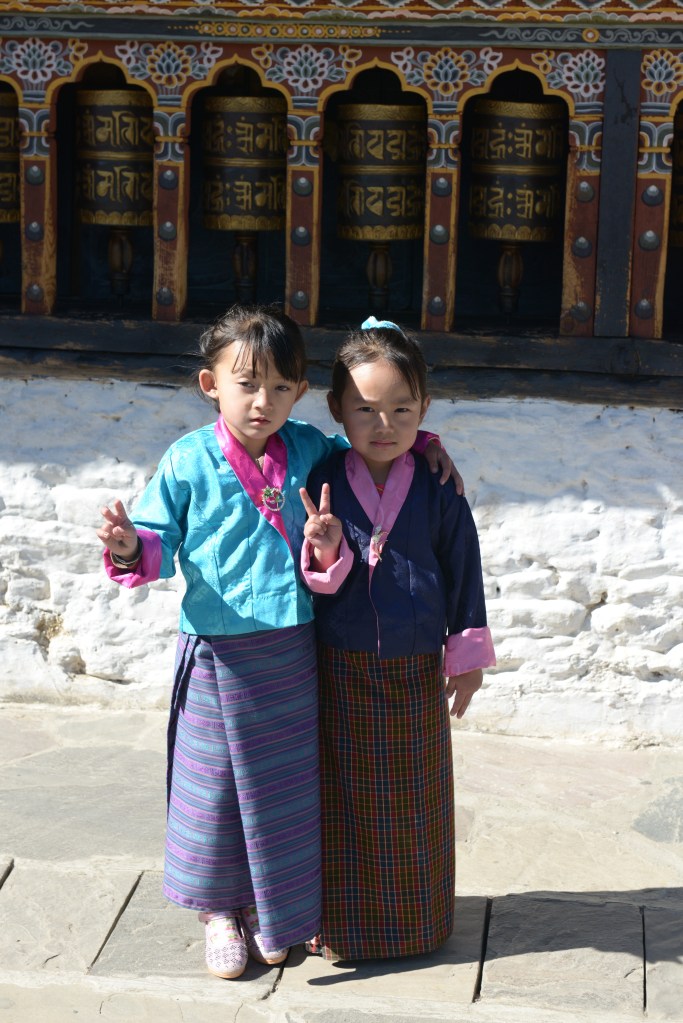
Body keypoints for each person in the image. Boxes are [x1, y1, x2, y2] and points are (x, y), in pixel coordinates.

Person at [95, 305, 459, 980]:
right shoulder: (186, 460)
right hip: (217, 651)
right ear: (211, 385)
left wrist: (427, 442)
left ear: (299, 392)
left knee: (284, 790)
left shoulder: (311, 450)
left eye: (281, 386)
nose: (263, 402)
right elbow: (155, 539)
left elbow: (368, 441)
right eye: (246, 384)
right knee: (215, 788)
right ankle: (219, 912)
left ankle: (275, 909)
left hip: (293, 650)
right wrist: (128, 546)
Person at [300, 316, 496, 961]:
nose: (384, 425)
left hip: (413, 669)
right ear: (336, 410)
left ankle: (418, 926)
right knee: (344, 802)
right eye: (366, 410)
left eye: (402, 409)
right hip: (340, 663)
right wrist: (327, 553)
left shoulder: (438, 486)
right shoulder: (322, 478)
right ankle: (343, 929)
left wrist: (465, 660)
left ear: (425, 410)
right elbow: (315, 575)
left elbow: (464, 572)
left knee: (415, 804)